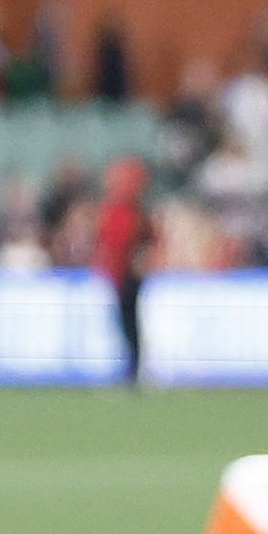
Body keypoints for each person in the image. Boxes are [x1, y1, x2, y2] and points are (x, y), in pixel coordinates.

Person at [93, 157, 153, 388]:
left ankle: (134, 369)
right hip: (119, 275)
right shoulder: (117, 210)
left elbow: (140, 241)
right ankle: (131, 368)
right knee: (124, 322)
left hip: (128, 275)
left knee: (129, 322)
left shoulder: (132, 212)